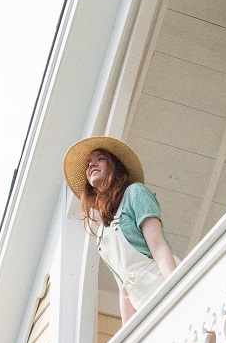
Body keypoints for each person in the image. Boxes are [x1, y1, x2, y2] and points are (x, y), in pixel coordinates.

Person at [63, 136, 178, 322]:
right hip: (145, 309)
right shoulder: (102, 234)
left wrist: (177, 288)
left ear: (115, 166)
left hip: (162, 286)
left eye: (100, 158)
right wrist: (128, 330)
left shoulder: (135, 193)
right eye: (89, 163)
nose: (92, 165)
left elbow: (159, 247)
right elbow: (124, 288)